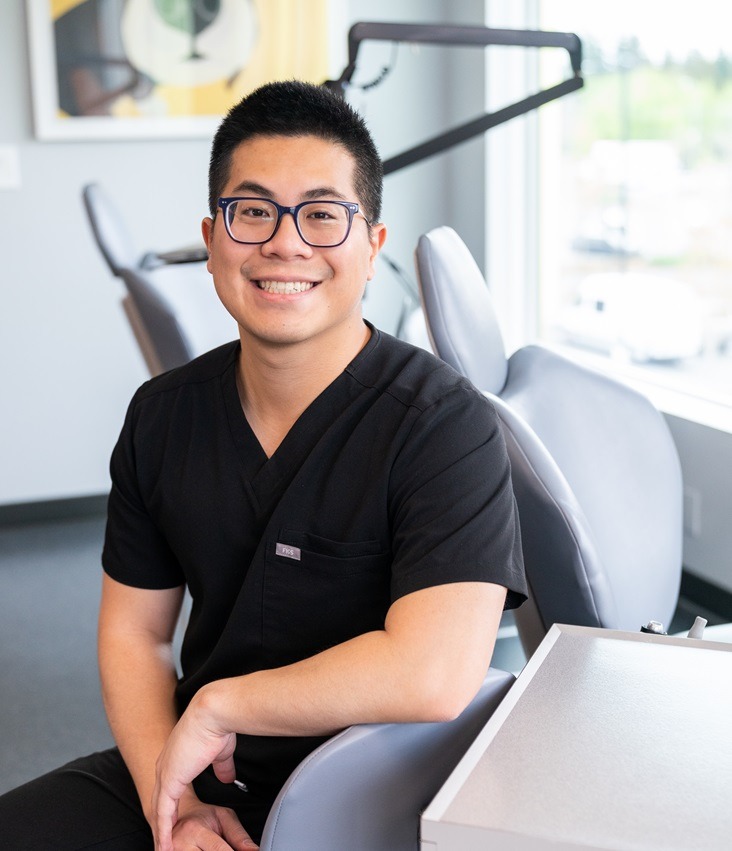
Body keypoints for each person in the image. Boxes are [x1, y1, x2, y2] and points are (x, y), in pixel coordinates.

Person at [0, 80, 526, 850]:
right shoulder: (162, 414)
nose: (285, 243)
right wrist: (172, 800)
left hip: (380, 794)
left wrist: (221, 705)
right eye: (252, 212)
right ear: (212, 240)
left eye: (322, 214)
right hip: (201, 770)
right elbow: (135, 635)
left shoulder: (444, 425)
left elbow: (435, 670)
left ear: (372, 246)